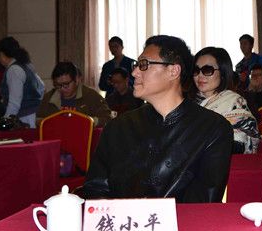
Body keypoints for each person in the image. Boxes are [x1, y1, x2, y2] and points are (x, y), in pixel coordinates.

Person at [83, 35, 233, 203]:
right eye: (136, 65)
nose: (134, 72)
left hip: (182, 220)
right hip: (119, 219)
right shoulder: (117, 127)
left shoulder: (212, 129)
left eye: (144, 64)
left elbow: (203, 202)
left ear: (173, 71)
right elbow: (96, 190)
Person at [192, 47, 260, 154]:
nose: (200, 76)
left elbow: (240, 144)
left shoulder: (234, 102)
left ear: (223, 73)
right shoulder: (186, 103)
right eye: (196, 70)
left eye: (207, 70)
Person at [37, 61, 112, 127]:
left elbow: (107, 118)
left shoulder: (91, 96)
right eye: (58, 85)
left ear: (77, 80)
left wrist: (88, 121)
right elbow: (37, 119)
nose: (62, 89)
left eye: (66, 84)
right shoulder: (48, 98)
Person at [0, 37, 45, 127]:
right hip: (33, 115)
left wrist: (5, 121)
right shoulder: (27, 65)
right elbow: (42, 88)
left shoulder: (14, 70)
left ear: (2, 54)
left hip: (22, 118)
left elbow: (14, 103)